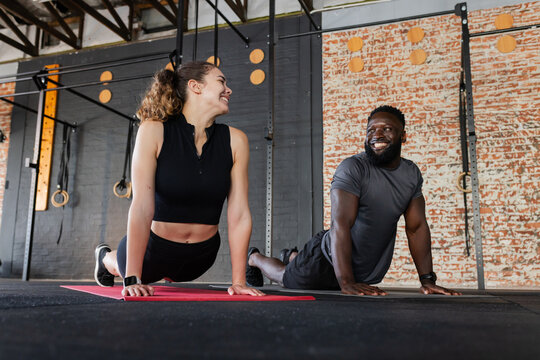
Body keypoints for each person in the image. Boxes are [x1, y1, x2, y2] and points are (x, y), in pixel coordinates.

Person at [246, 105, 461, 296]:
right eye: (371, 130)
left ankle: (293, 256)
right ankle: (256, 258)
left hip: (363, 269)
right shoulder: (353, 168)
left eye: (386, 129)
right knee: (286, 278)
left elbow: (416, 227)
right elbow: (340, 225)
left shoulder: (411, 174)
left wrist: (427, 280)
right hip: (326, 260)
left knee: (297, 268)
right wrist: (347, 282)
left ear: (403, 136)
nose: (377, 135)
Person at [94, 61, 264, 297]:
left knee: (182, 270)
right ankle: (105, 259)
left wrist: (239, 281)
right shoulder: (153, 130)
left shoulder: (236, 141)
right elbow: (142, 206)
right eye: (221, 82)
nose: (229, 89)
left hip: (200, 258)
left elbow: (239, 214)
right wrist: (132, 277)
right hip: (152, 253)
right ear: (195, 86)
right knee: (120, 267)